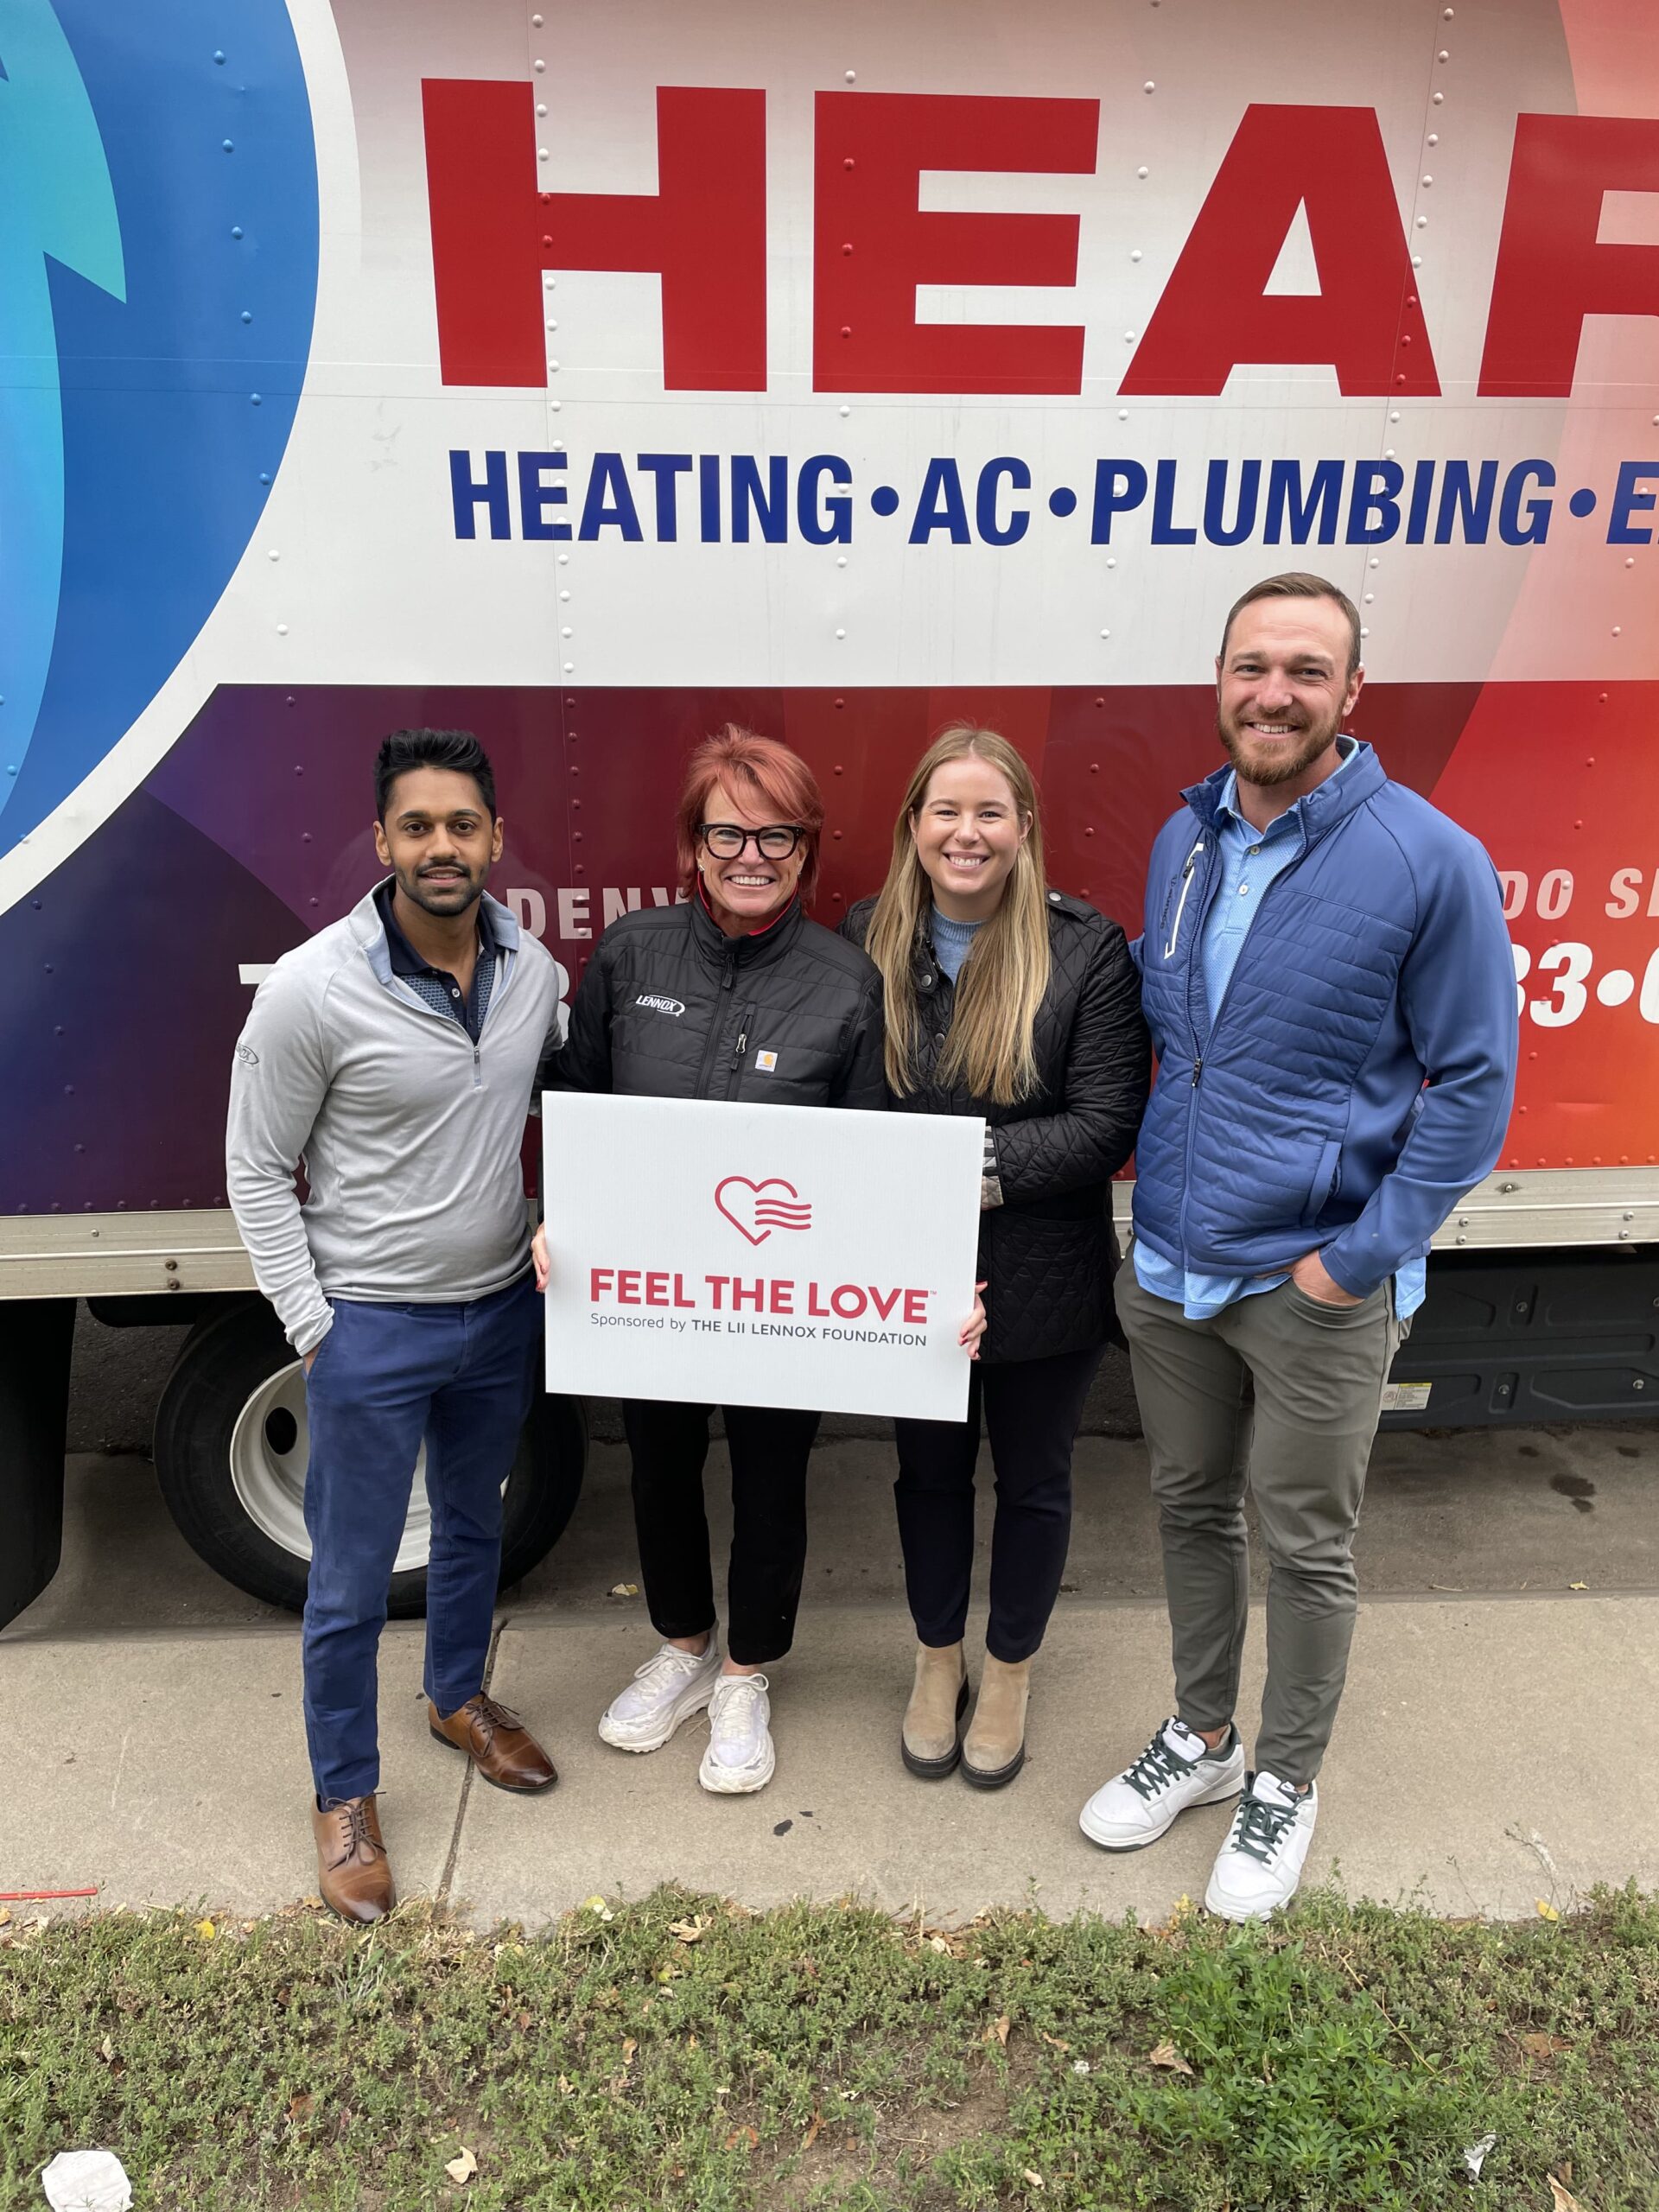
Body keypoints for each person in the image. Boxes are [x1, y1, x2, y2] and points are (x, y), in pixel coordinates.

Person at [1079, 572, 1519, 1919]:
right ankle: (1205, 1737)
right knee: (1187, 1508)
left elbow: (1476, 1085)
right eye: (1252, 666)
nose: (1274, 694)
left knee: (1307, 1544)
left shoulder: (1427, 858)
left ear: (1351, 692)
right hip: (1174, 1264)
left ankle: (1286, 1778)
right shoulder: (1187, 836)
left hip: (1313, 1280)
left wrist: (1355, 1260)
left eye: (1306, 671)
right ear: (1219, 680)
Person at [535, 724, 925, 1795]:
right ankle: (683, 1645)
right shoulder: (631, 955)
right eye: (728, 835)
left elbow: (868, 1158)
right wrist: (561, 1218)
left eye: (777, 836)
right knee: (657, 1464)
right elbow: (576, 1102)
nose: (751, 856)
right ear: (692, 846)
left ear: (806, 850)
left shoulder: (847, 983)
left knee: (770, 1474)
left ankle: (747, 1670)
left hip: (777, 1289)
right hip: (647, 1286)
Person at [227, 729, 563, 1924]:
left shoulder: (535, 972)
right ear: (381, 841)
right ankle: (345, 1795)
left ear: (495, 839)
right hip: (369, 1326)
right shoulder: (313, 988)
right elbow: (255, 1167)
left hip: (497, 1311)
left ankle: (457, 1698)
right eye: (416, 826)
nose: (440, 846)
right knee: (352, 1578)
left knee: (475, 1525)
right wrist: (314, 1326)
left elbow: (568, 1109)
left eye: (461, 825)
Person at [842, 726, 1150, 1788]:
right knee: (926, 1478)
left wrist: (958, 1169)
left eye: (989, 811)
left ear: (1024, 827)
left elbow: (1106, 1121)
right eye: (946, 810)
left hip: (1042, 1274)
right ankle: (937, 1658)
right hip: (904, 1276)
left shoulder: (1086, 949)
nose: (965, 833)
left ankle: (1010, 1667)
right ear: (913, 825)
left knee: (1035, 1482)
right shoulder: (865, 935)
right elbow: (842, 1103)